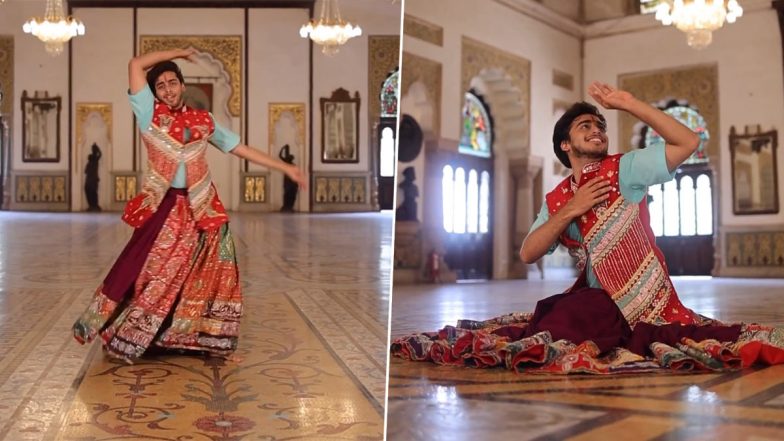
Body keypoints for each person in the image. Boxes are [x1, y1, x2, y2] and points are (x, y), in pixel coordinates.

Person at [391, 82, 784, 374]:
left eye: (600, 125)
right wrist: (572, 210)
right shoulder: (560, 198)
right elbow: (528, 252)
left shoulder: (625, 168)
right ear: (566, 145)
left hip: (647, 302)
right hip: (601, 299)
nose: (597, 130)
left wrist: (630, 105)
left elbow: (688, 142)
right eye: (585, 126)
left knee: (571, 317)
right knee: (558, 312)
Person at [72, 48, 307, 363]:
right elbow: (135, 64)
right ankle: (137, 334)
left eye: (173, 82)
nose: (168, 89)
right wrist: (181, 52)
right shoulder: (148, 114)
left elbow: (241, 148)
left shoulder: (203, 121)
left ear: (183, 85)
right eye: (161, 85)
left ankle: (199, 337)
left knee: (211, 271)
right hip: (165, 206)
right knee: (151, 274)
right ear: (154, 92)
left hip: (203, 206)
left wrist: (286, 168)